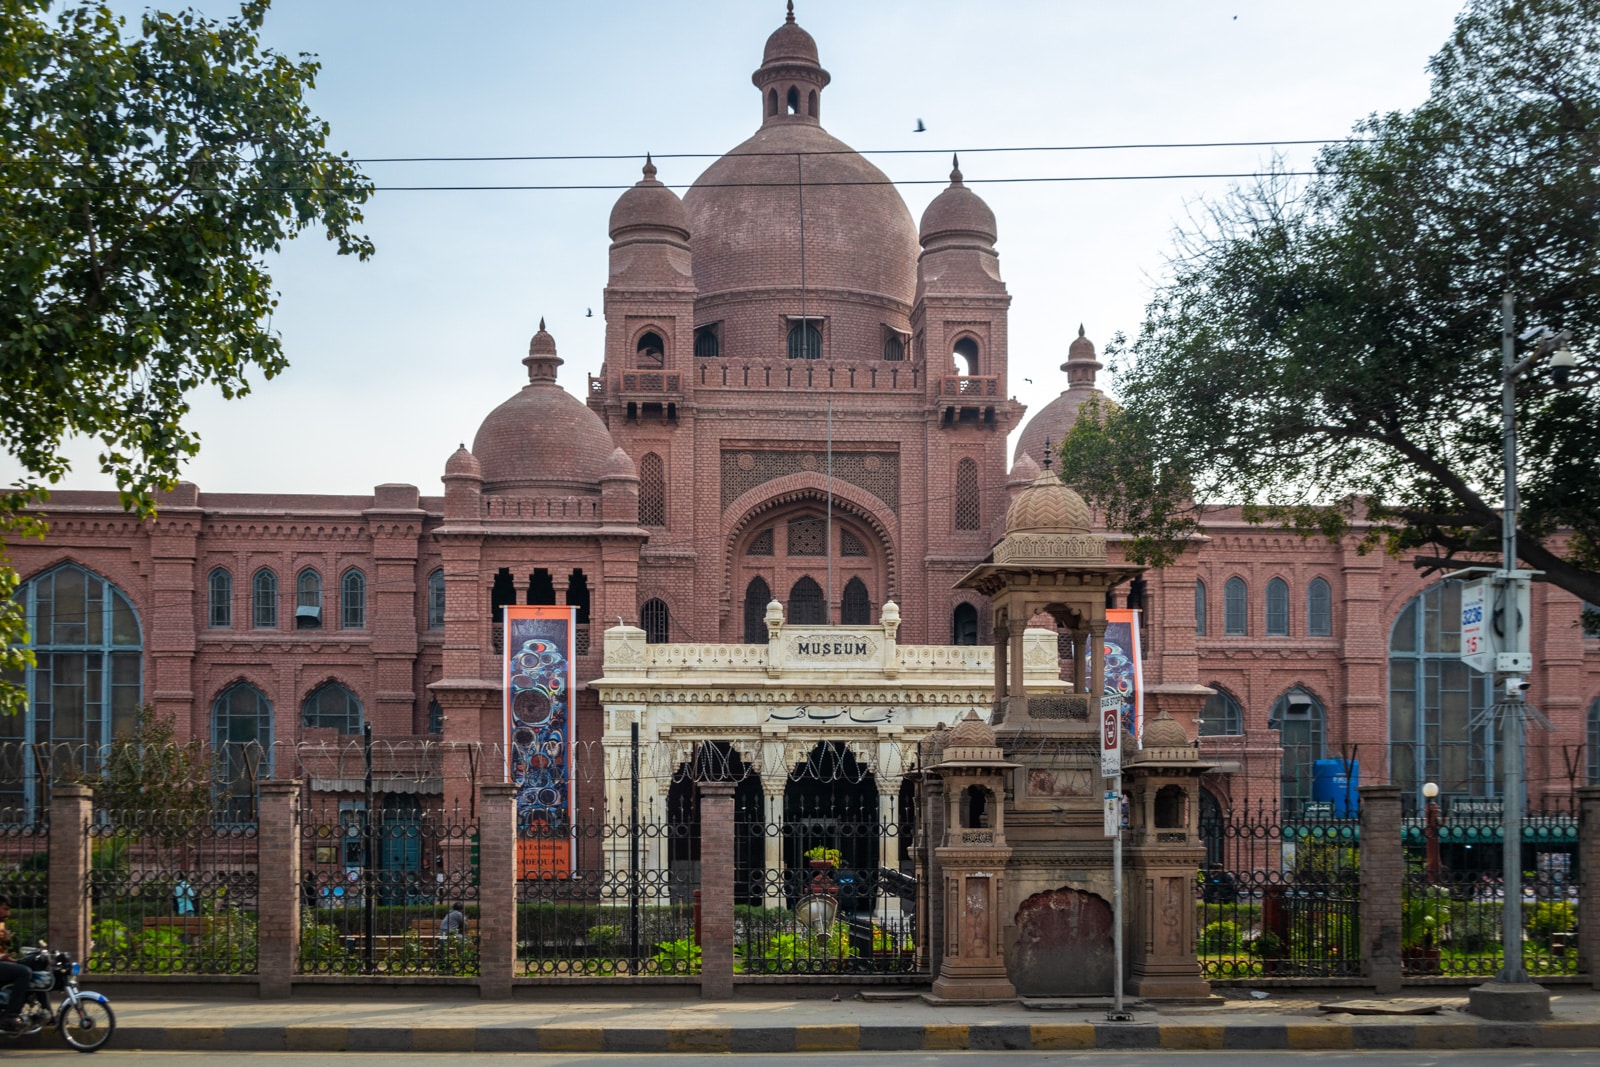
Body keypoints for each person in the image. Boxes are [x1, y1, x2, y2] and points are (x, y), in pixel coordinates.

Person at [0, 898, 32, 1032]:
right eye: (5, 909)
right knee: (24, 972)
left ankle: (47, 1014)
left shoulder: (1, 924)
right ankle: (11, 1015)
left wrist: (6, 942)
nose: (8, 913)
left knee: (34, 969)